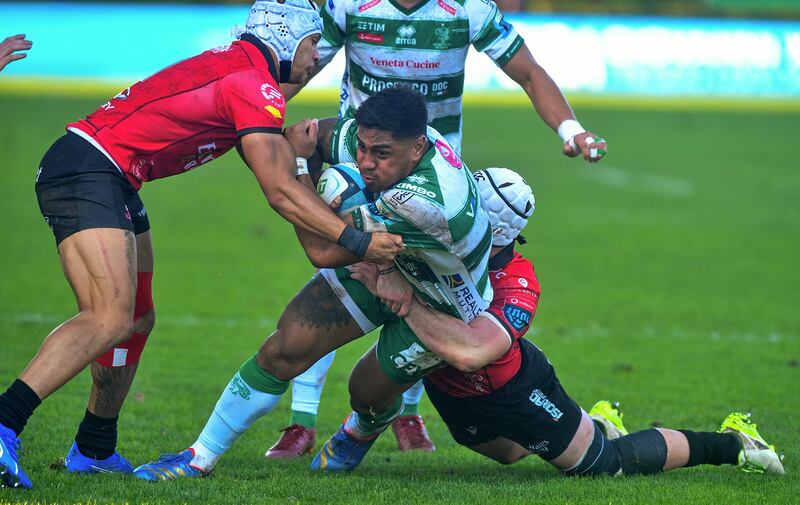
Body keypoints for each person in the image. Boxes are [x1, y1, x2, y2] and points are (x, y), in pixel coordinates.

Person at [0, 0, 405, 491]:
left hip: (114, 177)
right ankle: (6, 422)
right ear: (287, 38)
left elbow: (279, 132)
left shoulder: (246, 73)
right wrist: (359, 240)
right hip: (88, 170)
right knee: (107, 316)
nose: (317, 56)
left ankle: (94, 447)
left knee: (135, 319)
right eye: (312, 44)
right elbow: (278, 191)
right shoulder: (251, 84)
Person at [269, 0, 610, 454]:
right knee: (336, 276)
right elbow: (304, 65)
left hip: (433, 188)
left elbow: (527, 71)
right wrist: (255, 113)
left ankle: (407, 414)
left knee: (430, 288)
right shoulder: (349, 5)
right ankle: (301, 421)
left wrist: (571, 129)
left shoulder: (468, 9)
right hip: (359, 161)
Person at [313, 168, 785, 477]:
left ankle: (732, 443)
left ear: (500, 232)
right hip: (451, 390)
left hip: (509, 389)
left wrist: (404, 300)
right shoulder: (436, 231)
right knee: (511, 453)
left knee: (604, 467)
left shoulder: (518, 283)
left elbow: (472, 352)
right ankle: (595, 423)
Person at [132, 87, 494, 480]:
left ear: (418, 146)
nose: (366, 163)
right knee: (284, 348)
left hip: (444, 304)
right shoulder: (379, 136)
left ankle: (362, 428)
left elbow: (322, 249)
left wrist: (303, 171)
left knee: (365, 393)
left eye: (382, 154)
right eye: (362, 149)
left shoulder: (427, 203)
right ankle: (198, 457)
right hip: (384, 265)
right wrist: (283, 148)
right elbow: (298, 139)